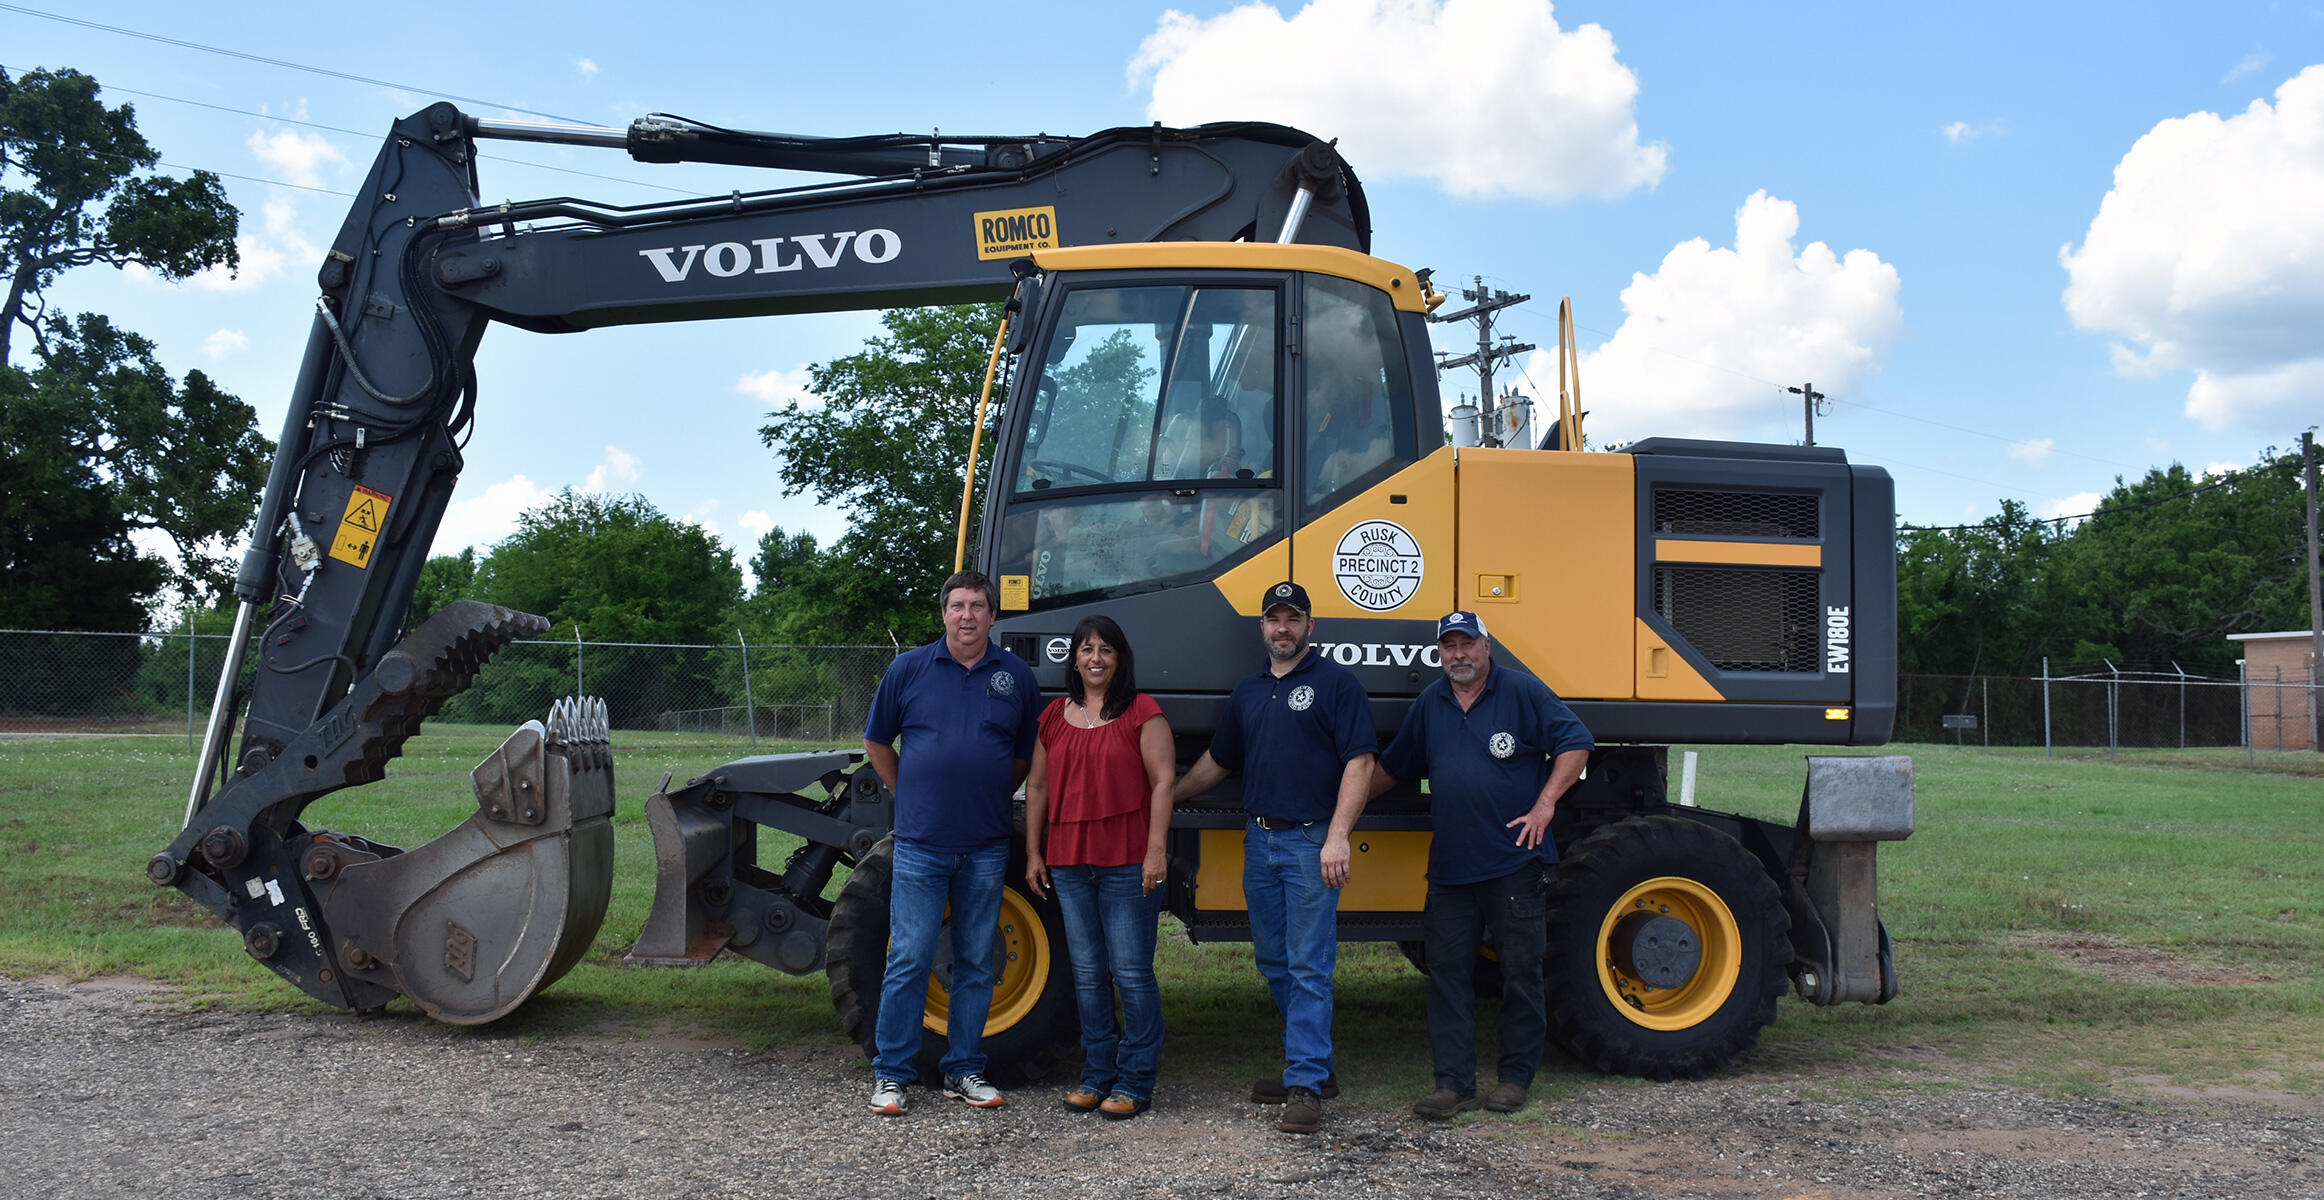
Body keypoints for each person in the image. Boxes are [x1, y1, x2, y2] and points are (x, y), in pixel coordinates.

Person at [1367, 610, 1593, 1118]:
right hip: (1450, 868)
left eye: (1467, 644)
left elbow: (1576, 742)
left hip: (1514, 862)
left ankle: (1515, 1079)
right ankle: (1454, 1084)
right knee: (1447, 974)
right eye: (1449, 646)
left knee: (1520, 973)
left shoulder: (1522, 692)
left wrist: (1545, 803)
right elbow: (1394, 767)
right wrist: (1342, 804)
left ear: (1487, 646)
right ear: (1440, 654)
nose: (1458, 655)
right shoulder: (1432, 702)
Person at [1172, 581, 1377, 1134]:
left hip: (1313, 842)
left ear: (1311, 627)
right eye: (1273, 620)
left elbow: (1359, 763)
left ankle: (1305, 1083)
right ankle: (1315, 1068)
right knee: (1276, 962)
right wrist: (1166, 795)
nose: (1282, 628)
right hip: (1259, 841)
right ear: (1262, 628)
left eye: (1293, 619)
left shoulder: (1337, 684)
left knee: (1310, 964)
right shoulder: (1249, 691)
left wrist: (1338, 836)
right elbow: (1219, 761)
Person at [860, 570, 1043, 1117]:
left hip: (986, 846)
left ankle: (964, 1069)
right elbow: (877, 739)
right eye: (958, 606)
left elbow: (1023, 754)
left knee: (975, 963)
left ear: (993, 615)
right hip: (920, 843)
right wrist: (909, 792)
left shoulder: (1015, 676)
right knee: (911, 957)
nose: (967, 616)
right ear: (943, 613)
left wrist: (988, 792)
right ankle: (892, 1075)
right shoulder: (909, 668)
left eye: (978, 606)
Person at [1023, 614, 1176, 1121]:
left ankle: (1135, 1080)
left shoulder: (1143, 713)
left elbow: (1163, 783)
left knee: (1130, 974)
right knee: (1088, 975)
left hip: (1128, 861)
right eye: (1086, 649)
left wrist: (1156, 851)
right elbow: (1038, 789)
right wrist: (1033, 851)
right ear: (1074, 658)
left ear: (1119, 658)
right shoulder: (1052, 718)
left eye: (1105, 650)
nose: (1095, 658)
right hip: (1068, 861)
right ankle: (1096, 1075)